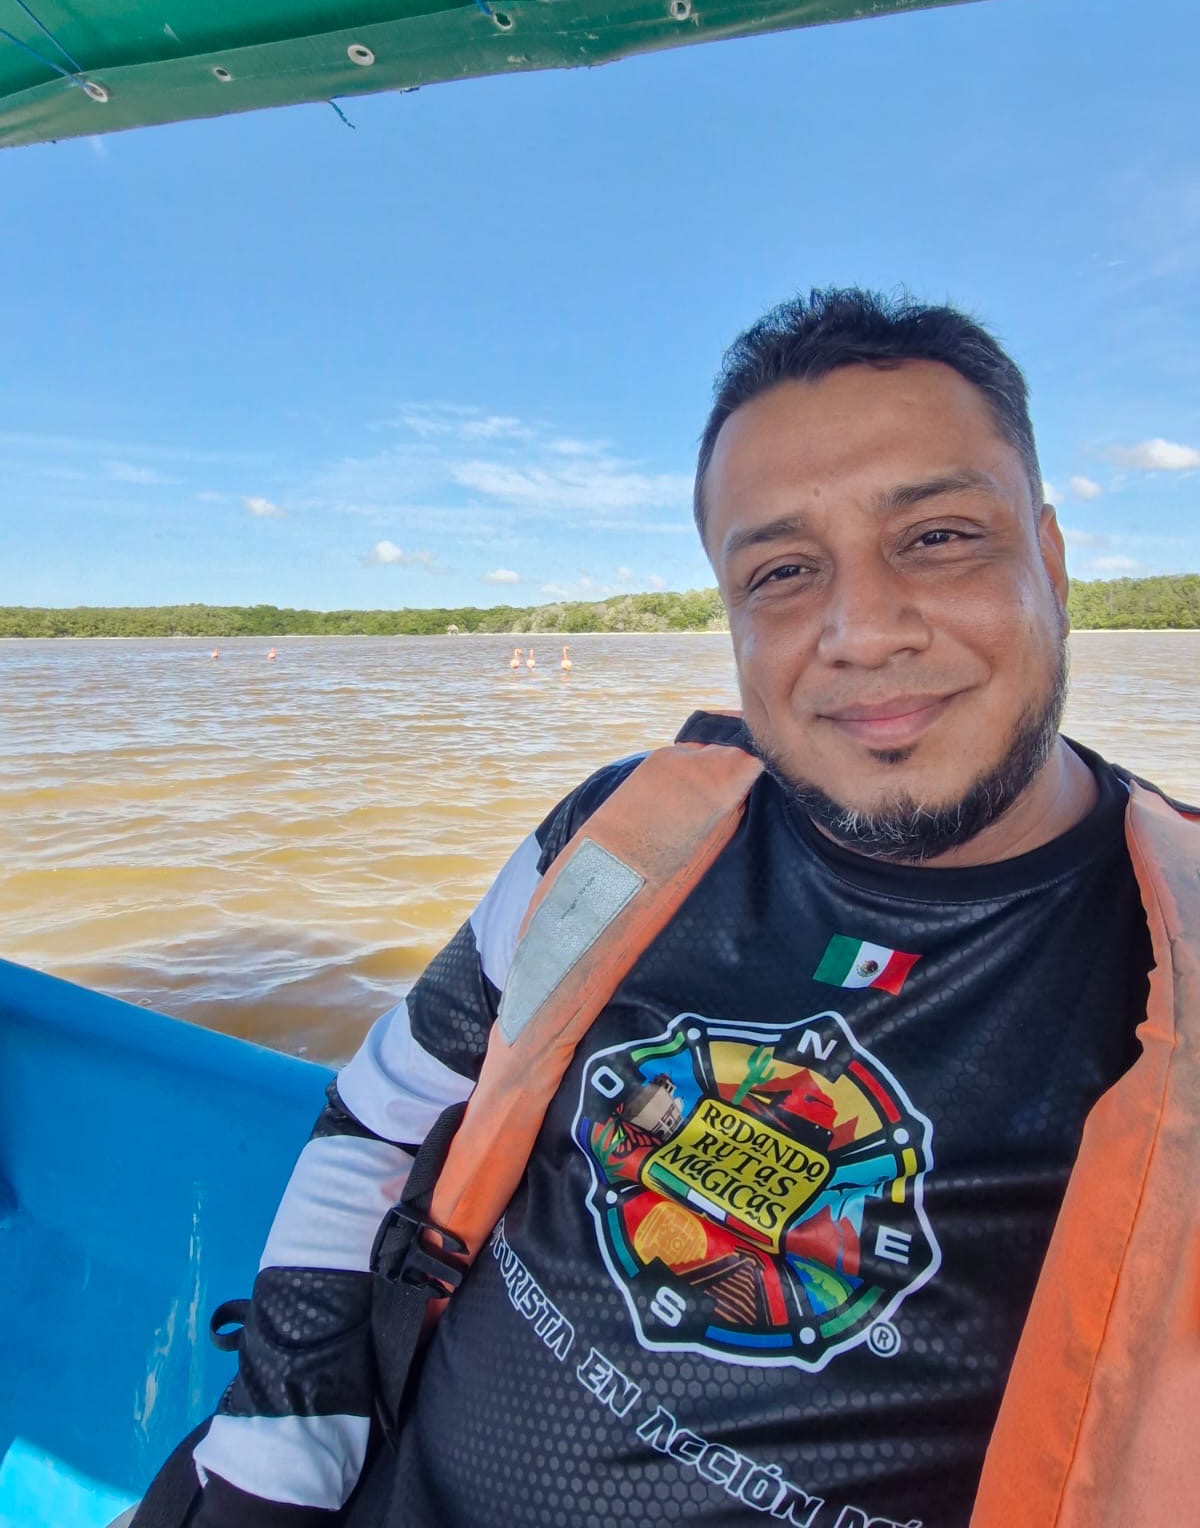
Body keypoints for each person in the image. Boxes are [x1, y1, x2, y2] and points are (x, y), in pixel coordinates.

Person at [185, 288, 1197, 1528]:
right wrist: (269, 1465)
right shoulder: (621, 840)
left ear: (1048, 555)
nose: (862, 630)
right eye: (782, 569)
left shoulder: (1172, 964)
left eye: (936, 537)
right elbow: (380, 1118)